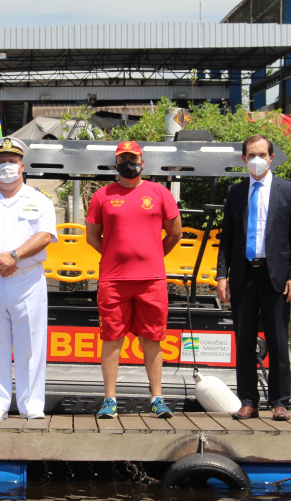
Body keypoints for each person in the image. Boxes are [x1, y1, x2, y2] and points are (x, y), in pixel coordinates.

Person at [0, 137, 58, 420]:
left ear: (22, 166)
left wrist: (13, 256)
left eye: (12, 162)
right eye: (1, 161)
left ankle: (32, 405)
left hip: (27, 280)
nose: (6, 166)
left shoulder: (38, 199)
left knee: (31, 342)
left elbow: (44, 236)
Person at [86, 141, 182, 419]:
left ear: (142, 160)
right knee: (111, 338)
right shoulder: (102, 195)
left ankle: (157, 398)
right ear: (115, 163)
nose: (129, 162)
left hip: (151, 280)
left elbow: (175, 233)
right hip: (113, 281)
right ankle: (109, 400)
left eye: (133, 157)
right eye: (123, 158)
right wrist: (116, 256)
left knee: (152, 338)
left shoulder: (160, 193)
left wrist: (154, 254)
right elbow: (93, 237)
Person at [217, 134, 291, 421]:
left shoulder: (289, 190)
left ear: (271, 157)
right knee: (244, 341)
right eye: (251, 155)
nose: (257, 159)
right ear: (244, 159)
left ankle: (280, 402)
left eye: (262, 154)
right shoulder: (235, 192)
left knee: (278, 341)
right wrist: (222, 275)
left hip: (276, 276)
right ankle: (248, 401)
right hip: (243, 275)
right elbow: (227, 238)